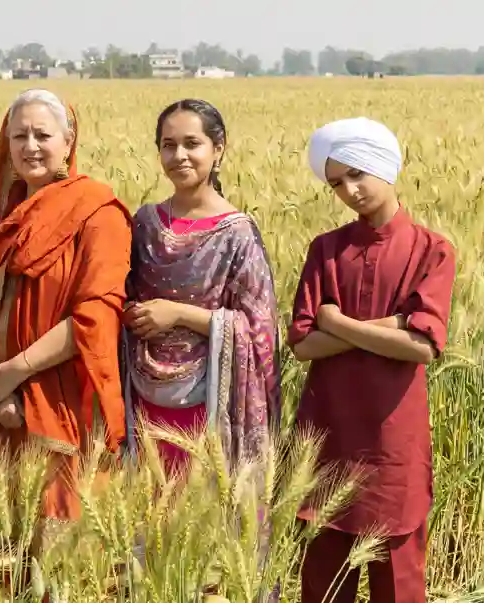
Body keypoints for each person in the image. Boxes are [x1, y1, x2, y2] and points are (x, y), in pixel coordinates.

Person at [290, 117, 456, 603]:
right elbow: (301, 346)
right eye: (337, 182)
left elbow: (424, 346)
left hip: (392, 444)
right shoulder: (326, 249)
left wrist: (337, 323)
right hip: (326, 436)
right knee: (322, 583)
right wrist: (392, 325)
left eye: (357, 173)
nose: (350, 190)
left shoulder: (433, 250)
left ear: (385, 166)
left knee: (398, 584)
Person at [0, 89, 132, 537]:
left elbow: (96, 317)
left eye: (42, 134)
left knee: (59, 550)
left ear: (68, 142)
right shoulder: (2, 219)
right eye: (19, 136)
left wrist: (11, 373)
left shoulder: (97, 210)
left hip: (62, 405)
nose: (30, 146)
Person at [120, 99, 281, 477]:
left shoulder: (236, 233)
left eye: (192, 144)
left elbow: (260, 330)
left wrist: (179, 314)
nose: (179, 156)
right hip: (142, 395)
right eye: (168, 144)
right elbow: (115, 293)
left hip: (209, 400)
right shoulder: (144, 223)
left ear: (218, 147)